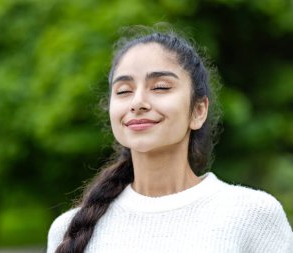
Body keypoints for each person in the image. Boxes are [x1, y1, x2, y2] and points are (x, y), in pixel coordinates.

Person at [46, 27, 293, 253]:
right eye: (124, 91)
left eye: (161, 87)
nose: (138, 102)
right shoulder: (68, 230)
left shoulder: (252, 215)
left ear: (198, 111)